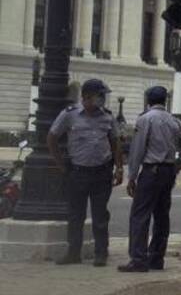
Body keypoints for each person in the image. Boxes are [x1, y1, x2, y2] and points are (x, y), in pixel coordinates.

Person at [48, 78, 124, 267]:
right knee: (75, 215)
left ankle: (101, 254)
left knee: (100, 216)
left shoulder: (107, 116)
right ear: (87, 97)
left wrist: (119, 168)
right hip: (77, 172)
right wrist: (60, 164)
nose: (103, 100)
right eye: (100, 96)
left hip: (101, 172)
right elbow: (52, 137)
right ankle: (73, 253)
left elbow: (116, 144)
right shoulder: (70, 115)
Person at [118, 86, 181, 272]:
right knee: (161, 216)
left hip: (152, 171)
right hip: (167, 171)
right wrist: (177, 166)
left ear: (148, 101)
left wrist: (132, 176)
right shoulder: (174, 121)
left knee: (140, 215)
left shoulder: (146, 119)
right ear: (164, 101)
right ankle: (157, 258)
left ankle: (138, 259)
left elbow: (138, 149)